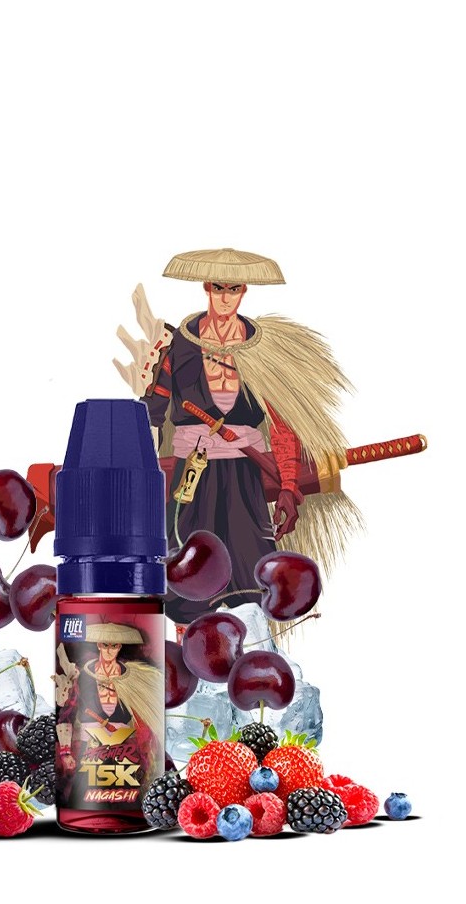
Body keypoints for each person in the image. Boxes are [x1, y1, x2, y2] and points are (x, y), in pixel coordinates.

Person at [113, 247, 360, 624]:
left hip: (245, 475)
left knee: (254, 575)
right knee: (183, 574)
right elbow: (152, 417)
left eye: (233, 289)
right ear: (206, 288)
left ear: (244, 291)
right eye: (218, 288)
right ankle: (189, 646)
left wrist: (289, 487)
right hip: (191, 474)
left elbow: (281, 425)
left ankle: (251, 648)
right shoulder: (178, 347)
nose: (225, 297)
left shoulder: (264, 350)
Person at [53, 621, 164, 790]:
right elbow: (67, 714)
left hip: (124, 748)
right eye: (105, 645)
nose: (109, 650)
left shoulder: (132, 677)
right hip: (88, 748)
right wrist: (65, 752)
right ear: (99, 645)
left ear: (119, 647)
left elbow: (146, 717)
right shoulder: (81, 676)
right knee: (82, 791)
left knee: (127, 794)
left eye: (114, 646)